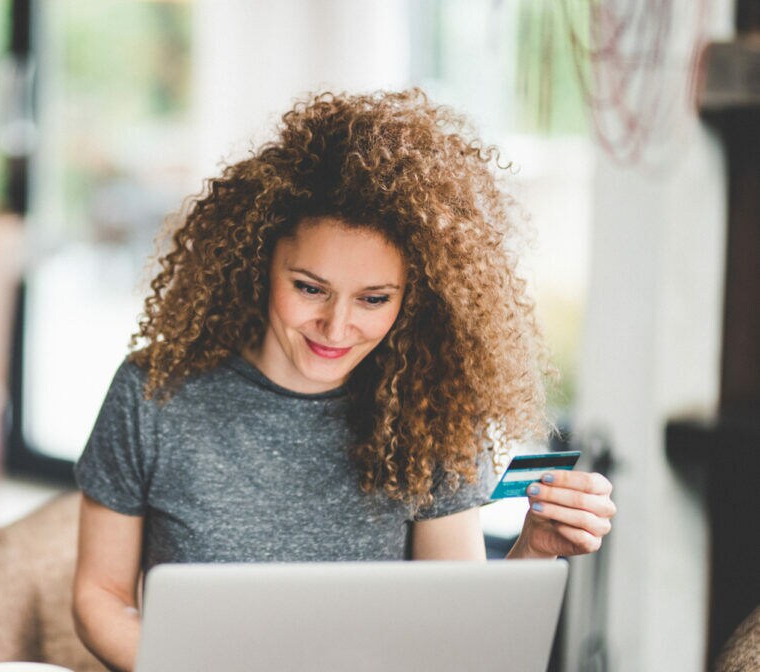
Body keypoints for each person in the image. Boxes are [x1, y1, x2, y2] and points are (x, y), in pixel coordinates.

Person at [71, 89, 616, 672]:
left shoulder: (432, 410)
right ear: (259, 264)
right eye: (309, 287)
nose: (335, 326)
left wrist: (534, 548)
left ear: (413, 299)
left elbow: (455, 641)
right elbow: (99, 597)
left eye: (374, 299)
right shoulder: (154, 392)